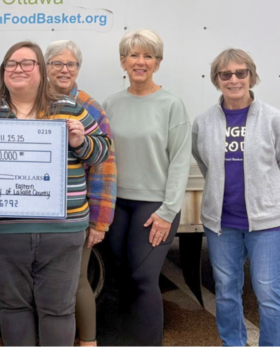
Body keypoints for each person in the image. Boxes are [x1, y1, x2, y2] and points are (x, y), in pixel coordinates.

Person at [0, 41, 111, 347]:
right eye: (11, 64)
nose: (18, 69)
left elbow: (102, 152)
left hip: (62, 229)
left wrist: (81, 141)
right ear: (2, 72)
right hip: (4, 232)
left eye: (28, 63)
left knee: (58, 309)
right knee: (13, 307)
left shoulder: (69, 109)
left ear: (41, 71)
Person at [192, 49, 280, 347]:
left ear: (251, 76)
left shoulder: (274, 119)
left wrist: (271, 202)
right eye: (226, 74)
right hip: (222, 224)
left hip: (268, 224)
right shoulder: (204, 122)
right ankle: (232, 343)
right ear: (217, 80)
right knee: (226, 291)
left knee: (268, 291)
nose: (234, 79)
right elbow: (205, 163)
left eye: (241, 73)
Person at [103, 29, 191, 346]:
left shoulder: (171, 105)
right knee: (117, 276)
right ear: (123, 61)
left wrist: (168, 212)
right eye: (134, 55)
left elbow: (180, 162)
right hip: (116, 204)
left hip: (154, 207)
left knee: (143, 277)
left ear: (157, 62)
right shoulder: (110, 104)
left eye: (148, 55)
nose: (141, 61)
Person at [44, 40, 116, 347]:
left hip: (76, 212)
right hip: (38, 211)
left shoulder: (90, 108)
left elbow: (105, 166)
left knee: (76, 282)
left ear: (78, 69)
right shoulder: (31, 102)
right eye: (57, 63)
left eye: (70, 64)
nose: (64, 70)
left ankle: (88, 342)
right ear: (45, 67)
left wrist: (99, 221)